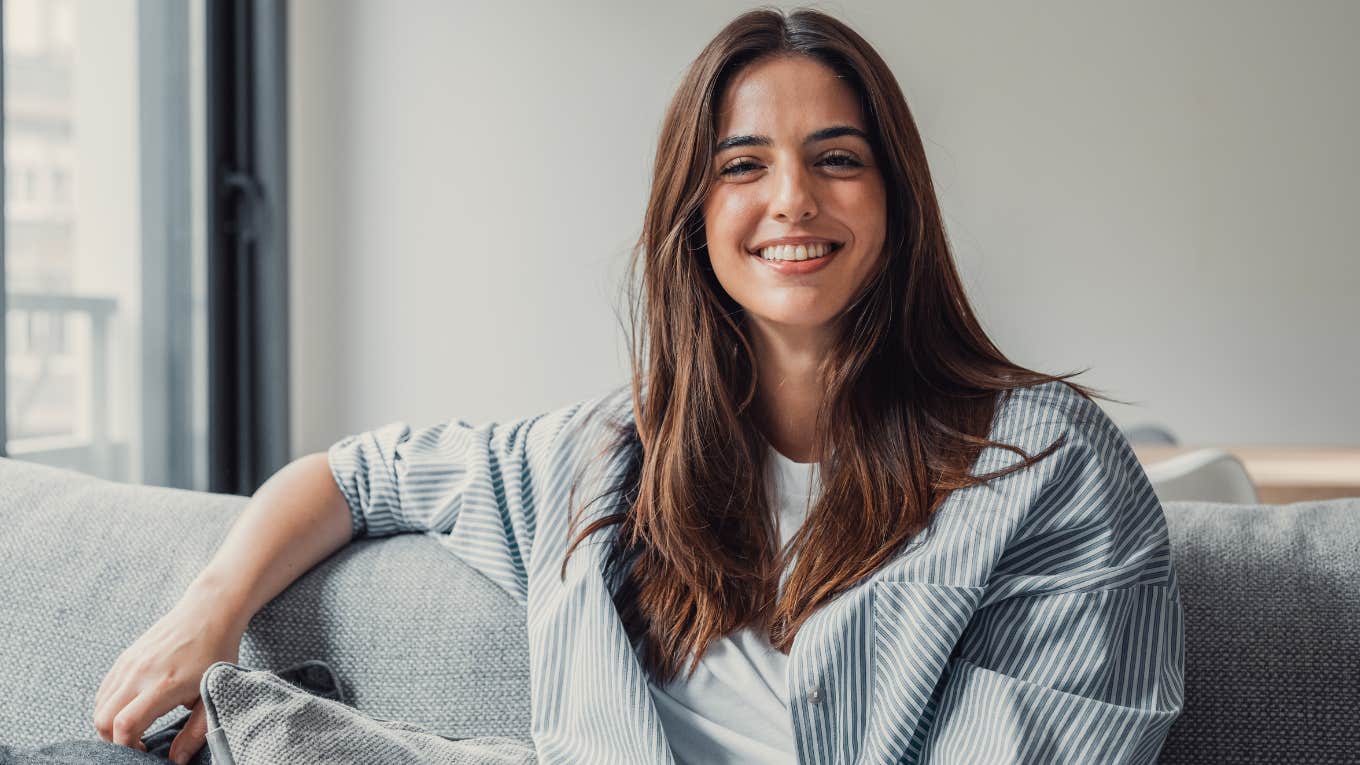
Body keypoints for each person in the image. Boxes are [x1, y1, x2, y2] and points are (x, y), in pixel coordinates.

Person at [87, 6, 1184, 764]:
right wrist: (209, 611)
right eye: (742, 164)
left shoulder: (1045, 467)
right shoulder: (597, 460)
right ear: (694, 217)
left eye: (838, 158)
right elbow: (352, 474)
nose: (792, 199)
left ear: (896, 203)